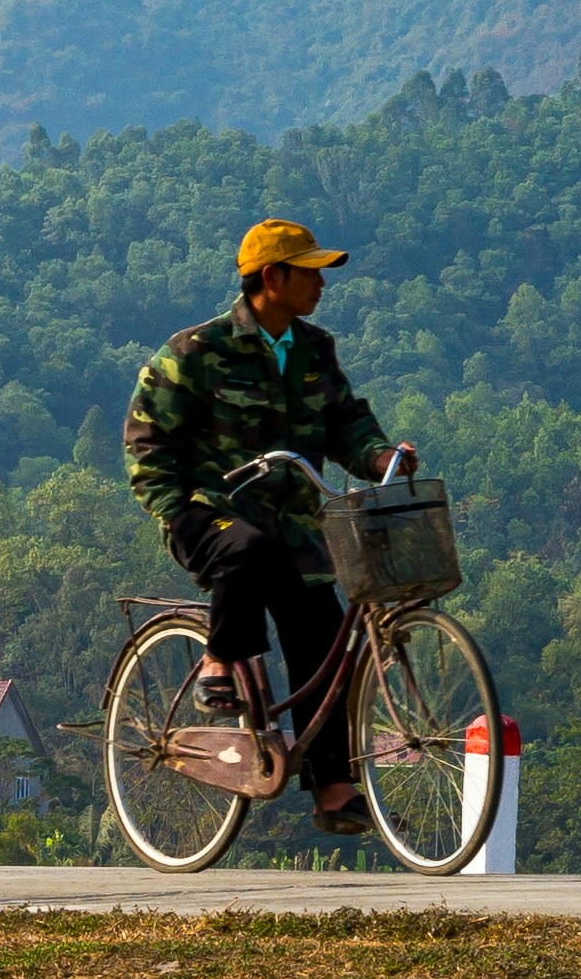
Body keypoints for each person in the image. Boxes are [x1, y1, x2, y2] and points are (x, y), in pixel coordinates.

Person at [125, 220, 405, 836]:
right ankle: (219, 661)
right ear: (271, 278)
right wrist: (173, 507)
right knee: (244, 548)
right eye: (310, 272)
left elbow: (347, 423)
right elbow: (148, 439)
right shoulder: (197, 351)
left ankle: (333, 786)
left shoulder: (315, 350)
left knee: (325, 641)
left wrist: (380, 456)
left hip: (297, 527)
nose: (321, 284)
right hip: (209, 511)